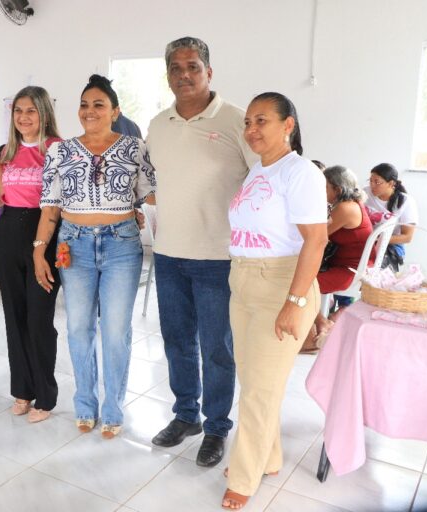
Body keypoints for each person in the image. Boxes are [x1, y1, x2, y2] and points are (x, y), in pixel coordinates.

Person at [146, 36, 256, 466]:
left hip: (218, 256)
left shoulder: (237, 120)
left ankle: (216, 427)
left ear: (209, 71)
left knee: (216, 348)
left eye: (193, 66)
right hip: (168, 254)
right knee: (177, 342)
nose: (184, 75)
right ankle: (186, 415)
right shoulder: (159, 124)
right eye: (176, 68)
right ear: (167, 75)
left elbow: (263, 181)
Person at [34, 74, 155, 439]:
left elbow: (150, 196)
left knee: (116, 331)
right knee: (78, 328)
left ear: (115, 111)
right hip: (74, 244)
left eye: (99, 105)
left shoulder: (135, 148)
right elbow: (50, 208)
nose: (90, 111)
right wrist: (39, 250)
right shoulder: (60, 152)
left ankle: (113, 407)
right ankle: (85, 403)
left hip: (121, 245)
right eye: (84, 105)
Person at [222, 92, 327, 510]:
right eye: (248, 122)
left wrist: (294, 302)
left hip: (282, 284)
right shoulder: (259, 170)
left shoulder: (300, 172)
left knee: (259, 391)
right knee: (255, 383)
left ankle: (244, 477)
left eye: (261, 120)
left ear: (288, 125)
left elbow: (316, 241)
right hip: (244, 281)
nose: (251, 130)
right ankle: (267, 456)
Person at [0, 86, 62, 423]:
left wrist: (43, 248)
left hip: (44, 233)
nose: (23, 117)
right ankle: (22, 389)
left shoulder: (57, 149)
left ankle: (45, 396)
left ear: (44, 114)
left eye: (31, 110)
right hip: (8, 233)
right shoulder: (6, 152)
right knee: (14, 316)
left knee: (39, 319)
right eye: (18, 110)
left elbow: (59, 203)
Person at [300, 165, 373, 354]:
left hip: (349, 271)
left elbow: (316, 235)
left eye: (324, 187)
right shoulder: (351, 203)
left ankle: (314, 333)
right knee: (299, 278)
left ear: (338, 190)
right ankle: (321, 323)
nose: (321, 191)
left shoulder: (345, 208)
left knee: (302, 283)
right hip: (346, 265)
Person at [364, 162, 418, 272]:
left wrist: (376, 240)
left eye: (377, 182)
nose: (372, 185)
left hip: (390, 245)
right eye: (370, 181)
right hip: (366, 240)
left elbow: (407, 237)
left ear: (391, 183)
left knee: (374, 271)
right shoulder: (365, 193)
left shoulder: (406, 202)